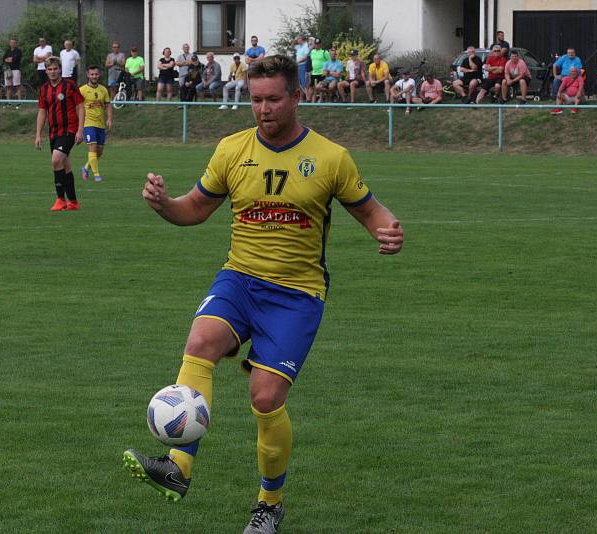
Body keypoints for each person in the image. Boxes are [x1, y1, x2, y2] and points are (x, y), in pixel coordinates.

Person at [123, 54, 403, 534]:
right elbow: (194, 209)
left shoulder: (331, 158)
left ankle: (269, 504)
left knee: (265, 397)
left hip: (296, 295)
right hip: (240, 280)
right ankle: (178, 468)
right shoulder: (232, 149)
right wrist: (163, 204)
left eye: (274, 99)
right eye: (256, 100)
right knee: (199, 344)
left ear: (297, 96)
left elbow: (371, 210)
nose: (264, 109)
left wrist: (388, 231)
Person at [35, 57, 85, 211]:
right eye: (49, 69)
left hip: (69, 130)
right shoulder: (44, 89)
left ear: (60, 69)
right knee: (65, 165)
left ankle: (60, 199)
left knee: (56, 159)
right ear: (46, 71)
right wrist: (38, 135)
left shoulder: (69, 85)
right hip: (54, 133)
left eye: (55, 68)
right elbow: (42, 112)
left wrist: (80, 130)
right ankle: (74, 202)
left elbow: (80, 107)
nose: (52, 72)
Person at [80, 65, 112, 183]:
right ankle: (97, 175)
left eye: (96, 74)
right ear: (88, 75)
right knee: (93, 147)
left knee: (100, 151)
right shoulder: (82, 90)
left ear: (99, 75)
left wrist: (109, 118)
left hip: (100, 124)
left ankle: (85, 168)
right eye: (92, 74)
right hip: (88, 123)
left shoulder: (103, 90)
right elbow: (77, 106)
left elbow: (108, 105)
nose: (94, 76)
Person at [306, 38, 330, 103]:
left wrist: (327, 71)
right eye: (316, 44)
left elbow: (329, 62)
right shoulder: (312, 52)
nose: (317, 46)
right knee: (311, 86)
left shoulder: (325, 52)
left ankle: (321, 99)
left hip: (322, 72)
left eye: (318, 44)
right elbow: (312, 61)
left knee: (319, 87)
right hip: (314, 72)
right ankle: (308, 99)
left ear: (321, 44)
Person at [293, 35, 310, 100]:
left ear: (301, 39)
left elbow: (306, 57)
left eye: (298, 39)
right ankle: (301, 99)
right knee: (299, 83)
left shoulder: (306, 46)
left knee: (304, 83)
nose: (297, 40)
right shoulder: (298, 46)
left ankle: (308, 98)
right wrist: (295, 40)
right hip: (298, 65)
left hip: (303, 65)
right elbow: (291, 46)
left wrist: (297, 62)